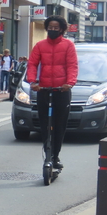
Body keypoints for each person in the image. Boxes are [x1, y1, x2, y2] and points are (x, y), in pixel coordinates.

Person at [26, 15, 78, 171]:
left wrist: (69, 83)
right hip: (44, 89)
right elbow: (32, 64)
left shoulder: (68, 45)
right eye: (50, 27)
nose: (53, 30)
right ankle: (47, 152)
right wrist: (32, 81)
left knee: (60, 124)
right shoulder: (40, 45)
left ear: (61, 29)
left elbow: (72, 65)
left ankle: (55, 156)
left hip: (62, 90)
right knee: (45, 124)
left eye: (56, 28)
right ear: (47, 28)